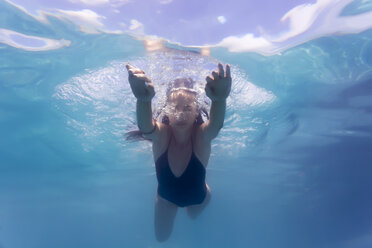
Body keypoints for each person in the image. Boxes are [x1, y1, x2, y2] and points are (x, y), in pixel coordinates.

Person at [126, 62, 231, 242]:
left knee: (192, 216)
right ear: (166, 109)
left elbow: (215, 126)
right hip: (166, 199)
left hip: (200, 198)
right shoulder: (162, 135)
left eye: (188, 108)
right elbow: (146, 127)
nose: (181, 114)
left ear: (197, 110)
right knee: (161, 238)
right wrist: (143, 100)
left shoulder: (201, 136)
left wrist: (219, 100)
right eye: (175, 108)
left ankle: (201, 203)